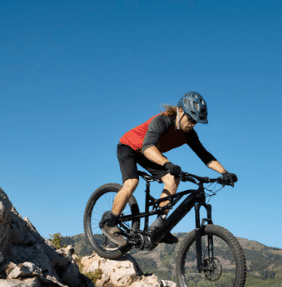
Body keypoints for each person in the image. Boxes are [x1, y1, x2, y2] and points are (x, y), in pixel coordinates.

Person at [102, 91, 237, 246]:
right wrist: (167, 163)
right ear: (180, 111)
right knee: (132, 182)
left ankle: (158, 227)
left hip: (149, 152)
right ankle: (110, 223)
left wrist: (225, 172)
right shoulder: (163, 121)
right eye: (191, 119)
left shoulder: (189, 134)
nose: (193, 124)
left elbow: (205, 155)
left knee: (172, 180)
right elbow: (147, 147)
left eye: (196, 121)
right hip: (129, 147)